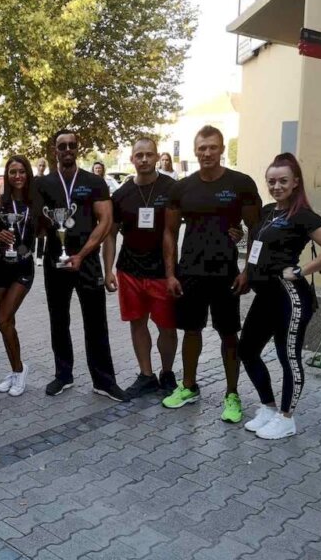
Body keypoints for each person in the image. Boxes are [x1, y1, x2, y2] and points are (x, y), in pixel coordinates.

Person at [239, 153, 321, 439]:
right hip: (265, 296)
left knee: (289, 357)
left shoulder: (303, 215)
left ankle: (286, 419)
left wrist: (301, 270)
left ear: (295, 182)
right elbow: (258, 242)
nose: (276, 186)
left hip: (290, 297)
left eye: (283, 181)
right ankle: (269, 408)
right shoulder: (268, 211)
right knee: (247, 350)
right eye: (271, 181)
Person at [162, 125, 261, 423]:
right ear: (195, 151)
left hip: (226, 273)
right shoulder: (182, 188)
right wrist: (171, 274)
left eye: (213, 147)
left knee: (228, 334)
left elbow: (256, 229)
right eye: (202, 148)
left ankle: (232, 394)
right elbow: (169, 232)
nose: (207, 153)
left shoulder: (241, 184)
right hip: (190, 271)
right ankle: (189, 386)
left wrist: (248, 270)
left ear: (222, 149)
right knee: (191, 331)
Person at [38, 129, 129, 402]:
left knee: (96, 321)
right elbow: (35, 220)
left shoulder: (94, 181)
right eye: (62, 146)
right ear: (55, 150)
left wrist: (82, 254)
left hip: (87, 262)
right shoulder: (43, 183)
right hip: (55, 260)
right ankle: (63, 375)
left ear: (78, 148)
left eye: (72, 145)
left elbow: (105, 221)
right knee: (58, 320)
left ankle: (104, 381)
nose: (67, 150)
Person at [102, 138, 177, 398]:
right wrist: (108, 270)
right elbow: (110, 235)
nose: (144, 159)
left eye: (149, 154)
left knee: (167, 326)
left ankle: (167, 373)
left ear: (157, 157)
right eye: (139, 155)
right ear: (132, 159)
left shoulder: (171, 188)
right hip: (130, 270)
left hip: (162, 272)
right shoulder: (121, 194)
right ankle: (146, 375)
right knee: (137, 323)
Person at [0, 155, 40, 396]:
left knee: (1, 318)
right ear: (7, 175)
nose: (17, 176)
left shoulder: (36, 202)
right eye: (12, 172)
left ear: (27, 174)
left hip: (23, 266)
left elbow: (46, 228)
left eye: (21, 171)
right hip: (0, 265)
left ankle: (20, 369)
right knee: (8, 323)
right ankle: (15, 371)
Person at [34, 159, 47, 266]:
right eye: (40, 165)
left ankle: (39, 256)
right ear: (36, 166)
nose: (41, 167)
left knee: (41, 234)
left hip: (44, 210)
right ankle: (30, 252)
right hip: (34, 209)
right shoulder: (32, 179)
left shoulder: (48, 180)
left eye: (43, 165)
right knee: (32, 232)